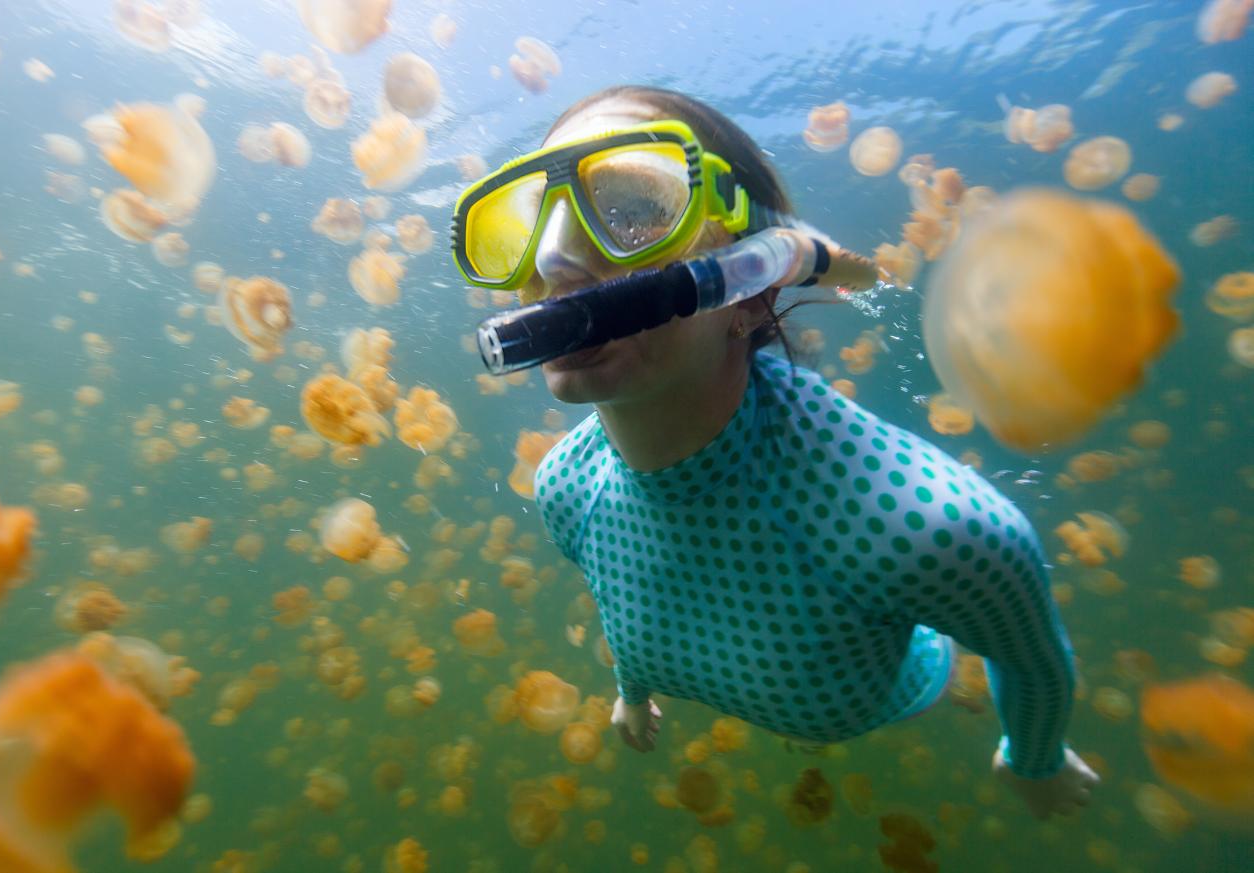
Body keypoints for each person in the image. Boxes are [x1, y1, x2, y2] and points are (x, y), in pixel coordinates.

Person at [449, 85, 1099, 820]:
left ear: (753, 286)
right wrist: (633, 695)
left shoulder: (926, 527)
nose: (555, 256)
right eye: (534, 219)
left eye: (632, 207)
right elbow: (624, 597)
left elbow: (1029, 660)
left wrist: (1035, 760)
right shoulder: (567, 486)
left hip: (908, 697)